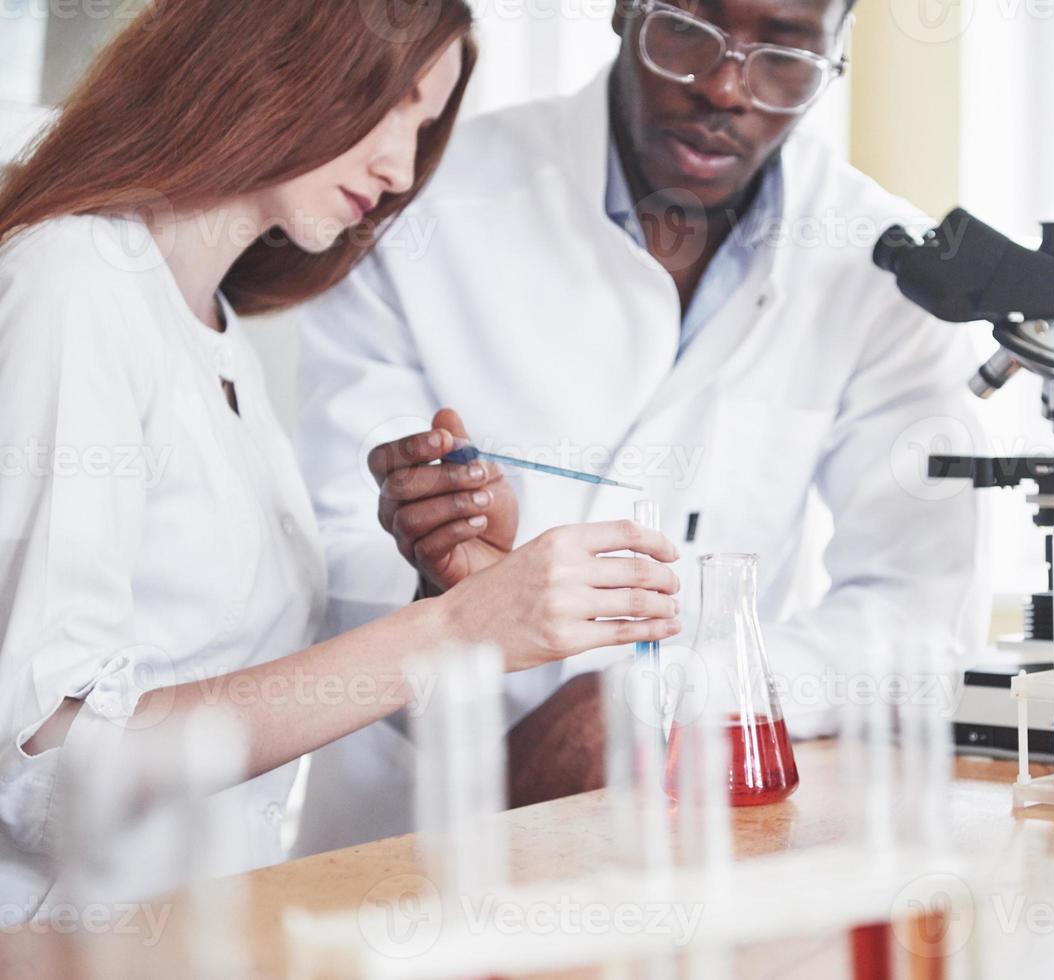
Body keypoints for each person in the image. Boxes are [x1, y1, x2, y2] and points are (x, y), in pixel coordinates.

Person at [0, 0, 680, 922]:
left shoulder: (213, 330)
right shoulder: (76, 281)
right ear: (273, 53)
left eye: (426, 126)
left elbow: (229, 688)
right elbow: (49, 769)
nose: (402, 168)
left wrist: (438, 593)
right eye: (392, 104)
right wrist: (457, 632)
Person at [294, 0, 987, 844]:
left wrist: (661, 701)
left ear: (835, 55)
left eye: (785, 56)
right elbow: (326, 552)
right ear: (625, 11)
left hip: (698, 828)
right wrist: (437, 577)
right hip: (406, 829)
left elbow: (916, 618)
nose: (727, 87)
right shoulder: (415, 201)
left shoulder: (880, 262)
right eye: (689, 33)